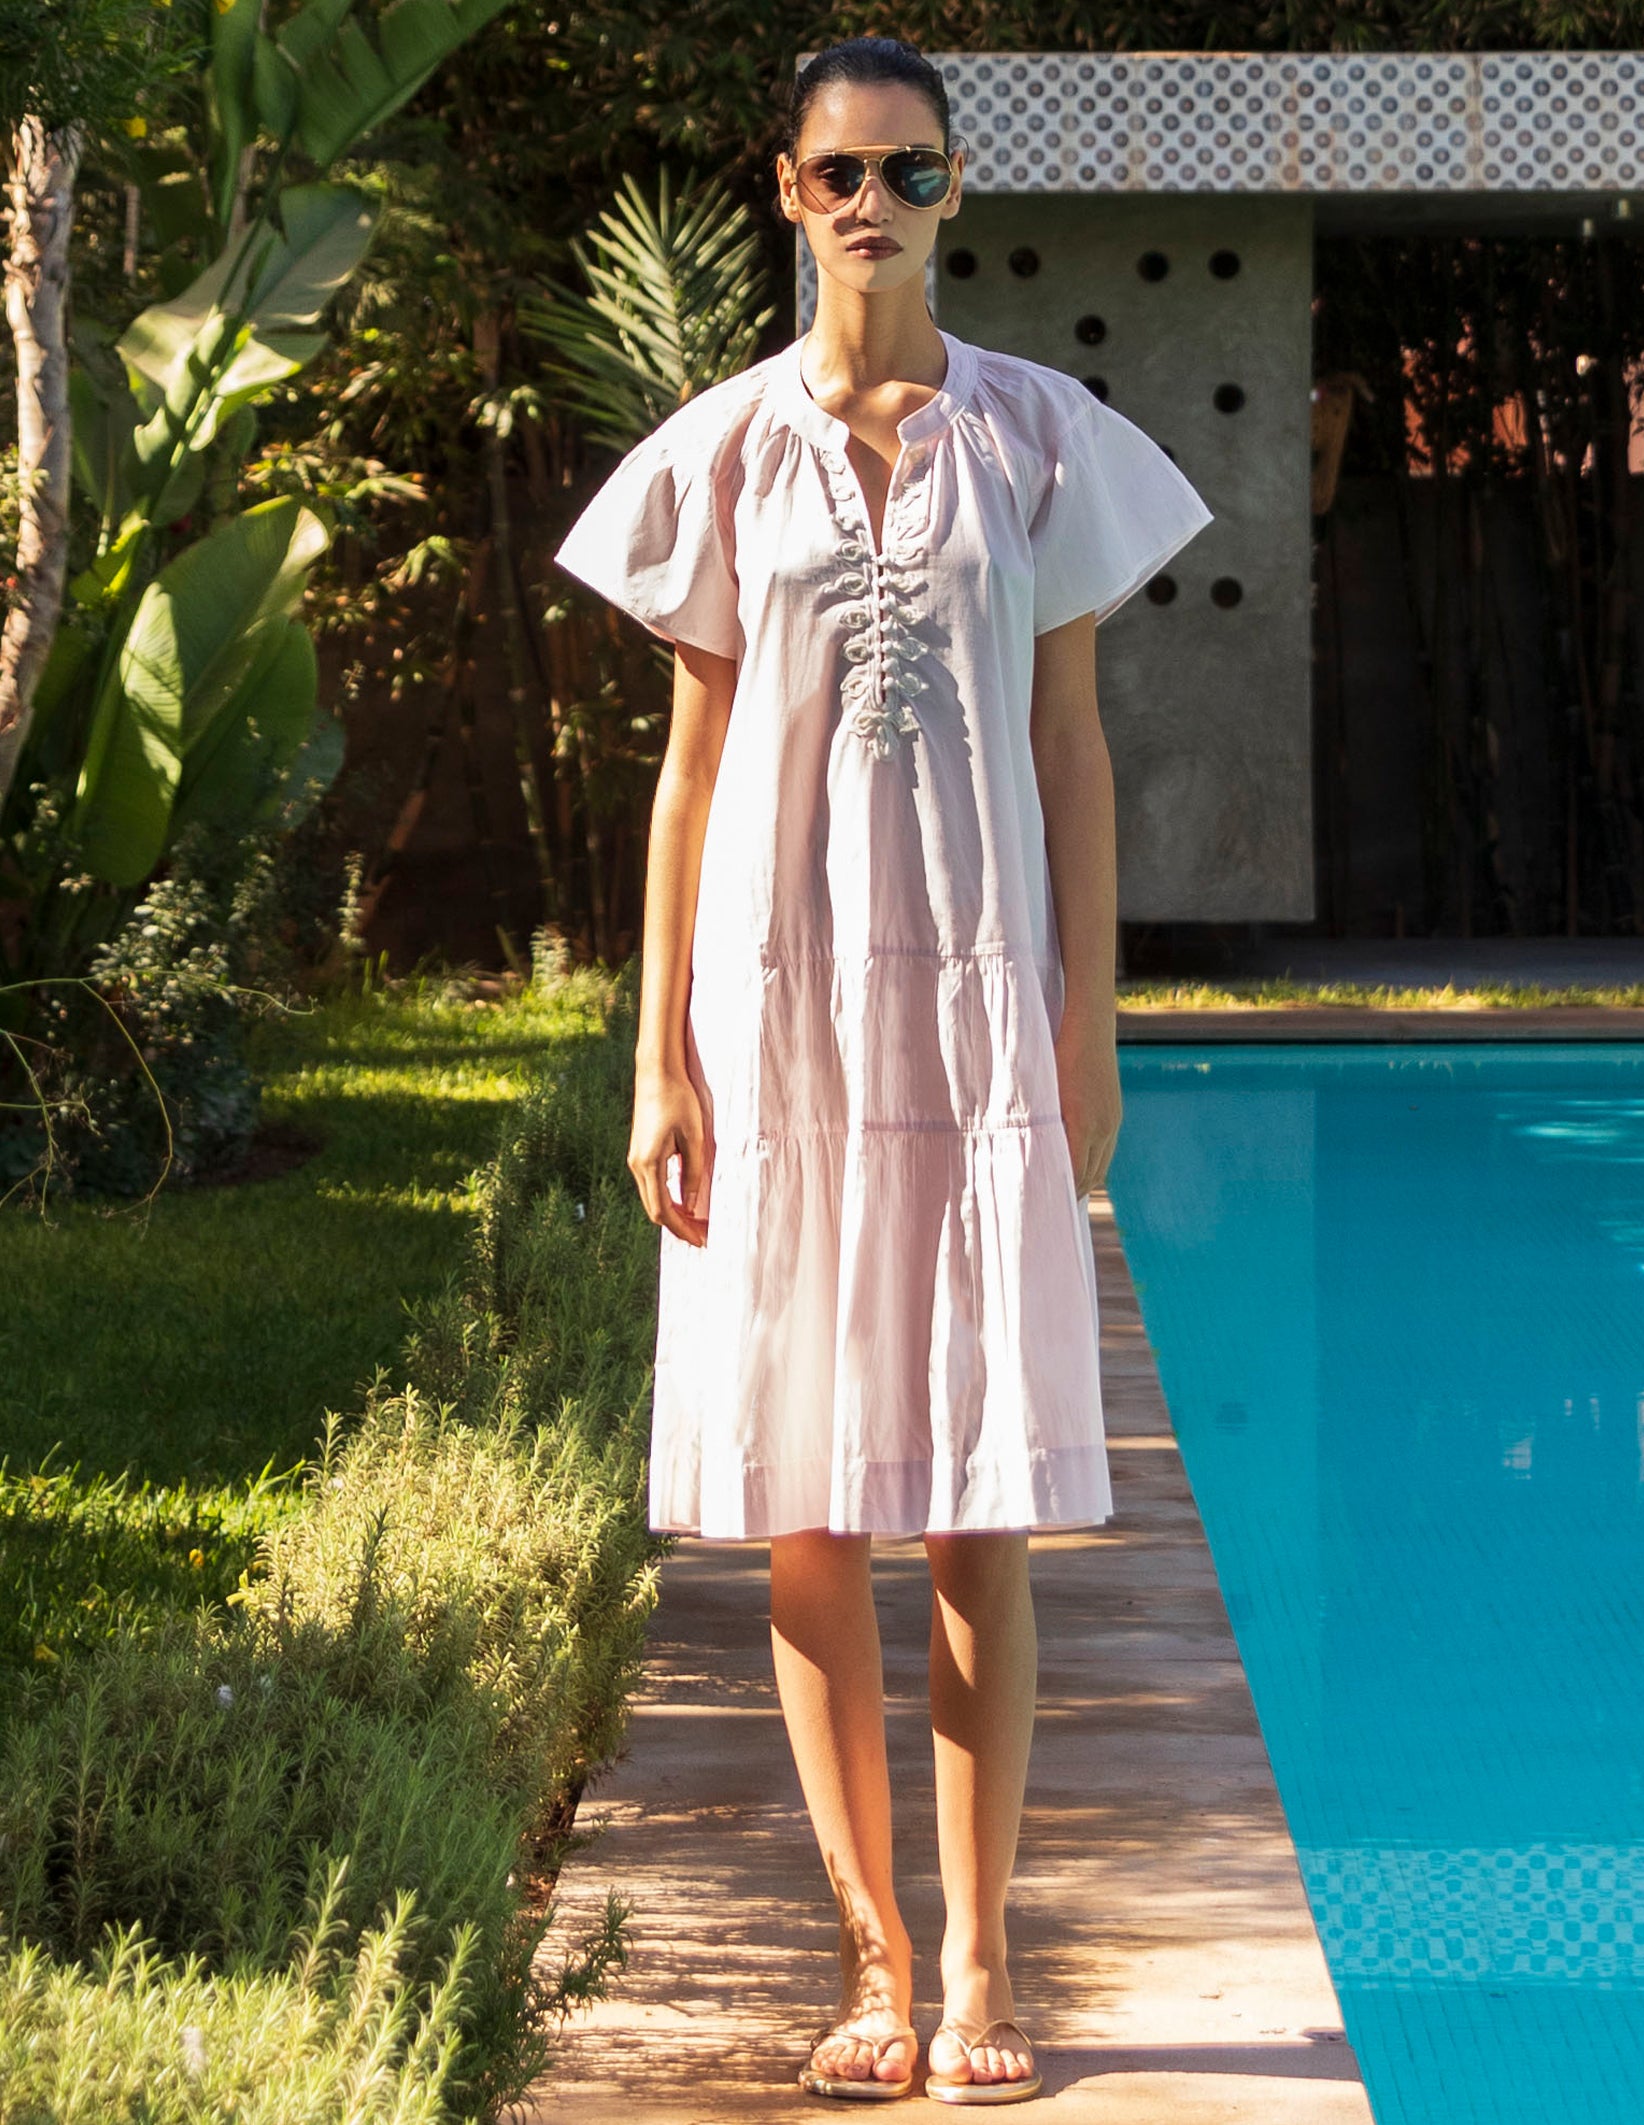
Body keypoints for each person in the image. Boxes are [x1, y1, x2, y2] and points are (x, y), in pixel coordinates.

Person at [553, 33, 1211, 2104]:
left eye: (906, 171)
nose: (872, 201)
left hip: (969, 1020)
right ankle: (866, 1967)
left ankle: (982, 1966)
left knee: (979, 1509)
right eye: (839, 171)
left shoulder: (1035, 440)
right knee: (808, 1504)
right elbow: (680, 779)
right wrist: (657, 1047)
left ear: (951, 192)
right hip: (777, 1025)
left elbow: (1070, 750)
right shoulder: (718, 454)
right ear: (783, 190)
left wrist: (1082, 1022)